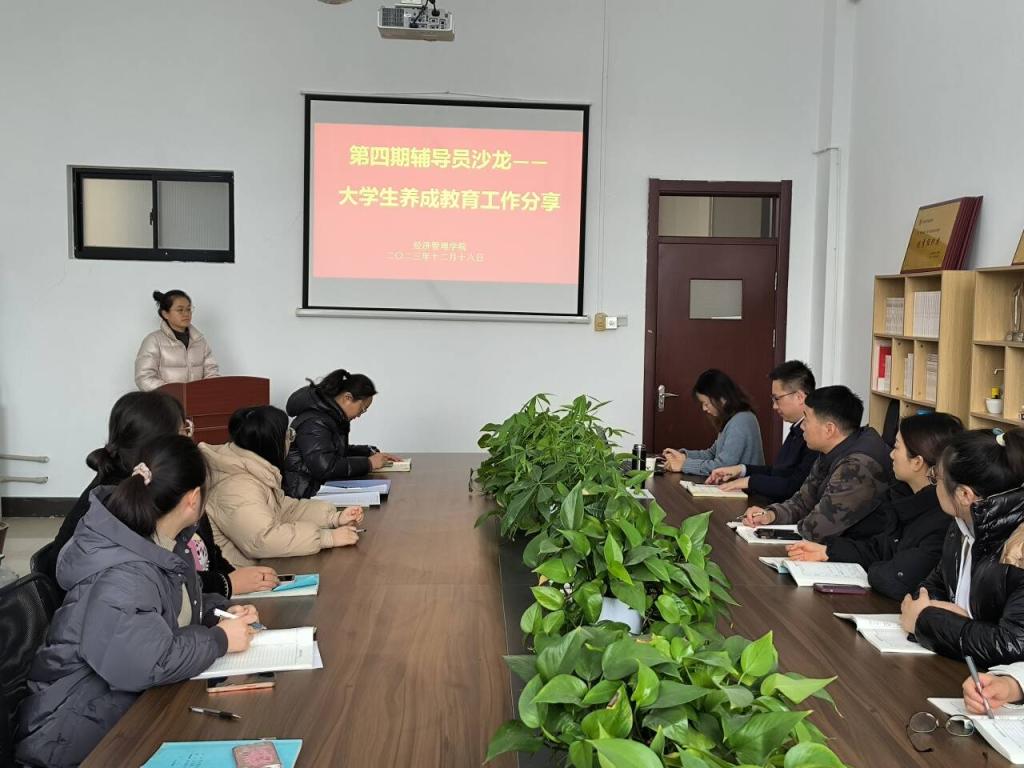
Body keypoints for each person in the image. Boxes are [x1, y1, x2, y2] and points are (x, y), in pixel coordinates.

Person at [15, 436, 259, 768]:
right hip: (69, 733)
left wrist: (220, 613)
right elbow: (146, 663)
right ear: (193, 499)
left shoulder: (157, 542)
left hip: (115, 706)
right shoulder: (125, 573)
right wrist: (220, 640)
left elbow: (172, 608)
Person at [36, 391, 277, 599]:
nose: (190, 438)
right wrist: (226, 584)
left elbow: (207, 551)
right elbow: (156, 582)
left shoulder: (168, 483)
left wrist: (234, 576)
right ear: (159, 444)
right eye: (183, 429)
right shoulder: (123, 503)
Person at [786, 412, 963, 599]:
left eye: (896, 447)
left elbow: (896, 579)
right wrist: (828, 552)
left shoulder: (942, 519)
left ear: (917, 462)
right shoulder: (901, 496)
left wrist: (877, 566)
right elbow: (878, 549)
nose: (891, 454)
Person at [901, 428, 1024, 668]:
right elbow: (931, 586)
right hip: (960, 667)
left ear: (964, 495)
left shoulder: (1018, 551)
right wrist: (937, 612)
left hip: (995, 683)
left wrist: (927, 620)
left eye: (936, 478)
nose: (935, 486)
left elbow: (1013, 645)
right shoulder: (962, 524)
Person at [202, 405, 364, 566]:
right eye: (288, 435)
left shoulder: (250, 469)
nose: (290, 441)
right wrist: (327, 538)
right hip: (245, 574)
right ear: (272, 445)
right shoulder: (238, 488)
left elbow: (283, 510)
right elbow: (264, 540)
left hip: (265, 565)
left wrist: (333, 518)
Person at [742, 385, 892, 541]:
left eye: (806, 419)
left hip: (861, 550)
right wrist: (770, 515)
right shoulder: (830, 450)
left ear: (829, 429)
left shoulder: (858, 466)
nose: (802, 426)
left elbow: (817, 529)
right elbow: (803, 501)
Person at [707, 360, 819, 502]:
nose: (774, 406)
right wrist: (740, 470)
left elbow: (794, 487)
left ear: (799, 397)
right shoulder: (796, 429)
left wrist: (749, 481)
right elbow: (778, 472)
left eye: (777, 399)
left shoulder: (815, 436)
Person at [283, 370, 402, 499]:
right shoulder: (314, 422)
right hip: (306, 494)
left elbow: (335, 451)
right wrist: (369, 464)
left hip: (319, 486)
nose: (360, 415)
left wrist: (369, 452)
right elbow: (325, 467)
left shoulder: (331, 417)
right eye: (362, 409)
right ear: (347, 398)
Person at [661, 369, 764, 476]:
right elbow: (712, 454)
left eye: (706, 403)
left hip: (744, 486)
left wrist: (684, 465)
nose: (704, 408)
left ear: (722, 398)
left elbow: (723, 467)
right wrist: (684, 456)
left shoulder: (741, 421)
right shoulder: (732, 418)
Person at [135, 289, 219, 391]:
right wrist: (172, 394)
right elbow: (144, 378)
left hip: (197, 399)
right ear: (165, 314)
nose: (186, 314)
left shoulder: (199, 341)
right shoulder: (153, 341)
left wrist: (205, 393)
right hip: (166, 400)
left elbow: (211, 372)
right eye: (180, 310)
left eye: (188, 309)